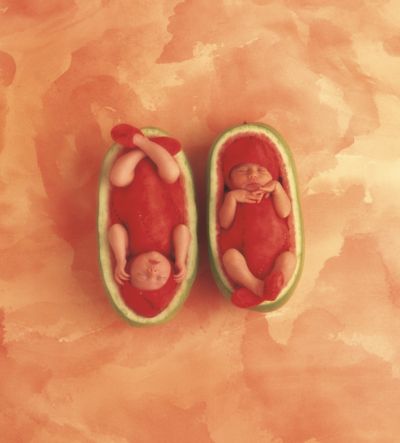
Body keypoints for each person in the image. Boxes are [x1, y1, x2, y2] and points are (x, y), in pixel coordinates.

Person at [108, 124, 191, 317]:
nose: (152, 272)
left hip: (131, 184)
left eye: (142, 275)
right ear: (172, 272)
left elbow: (116, 230)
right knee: (171, 172)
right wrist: (180, 259)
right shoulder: (170, 251)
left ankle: (139, 145)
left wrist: (120, 258)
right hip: (164, 185)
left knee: (118, 178)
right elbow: (182, 229)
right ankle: (150, 147)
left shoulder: (130, 251)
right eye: (160, 276)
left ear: (128, 270)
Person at [218, 136, 296, 308]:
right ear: (229, 181)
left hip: (275, 259)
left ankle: (271, 285)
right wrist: (231, 198)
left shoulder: (274, 194)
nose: (252, 174)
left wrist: (277, 189)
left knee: (289, 259)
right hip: (242, 258)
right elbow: (224, 223)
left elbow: (285, 212)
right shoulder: (232, 197)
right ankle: (257, 287)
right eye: (242, 171)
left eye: (261, 170)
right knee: (230, 258)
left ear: (273, 176)